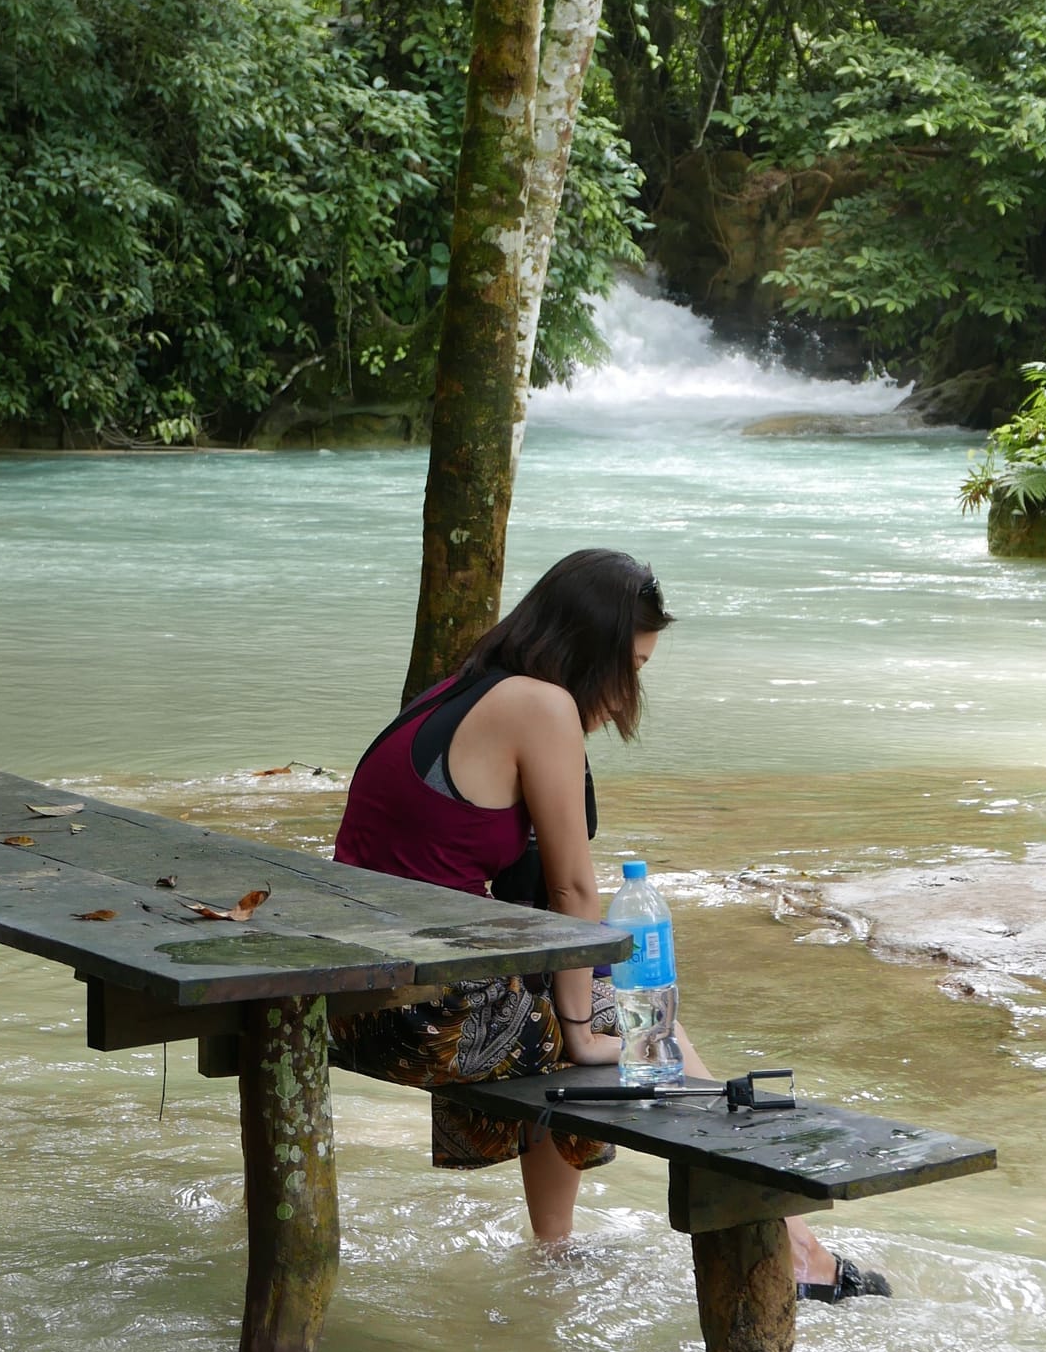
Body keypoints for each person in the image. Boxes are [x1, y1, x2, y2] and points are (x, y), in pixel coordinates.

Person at [331, 549, 879, 1295]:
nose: (629, 694)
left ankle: (553, 1251)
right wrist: (586, 1028)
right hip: (422, 1017)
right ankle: (798, 1252)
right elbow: (572, 889)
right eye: (636, 667)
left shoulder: (460, 690)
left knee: (603, 995)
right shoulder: (541, 706)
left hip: (349, 999)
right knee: (644, 1019)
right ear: (592, 652)